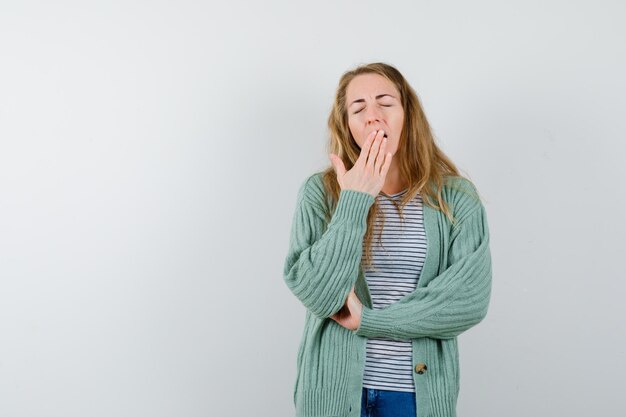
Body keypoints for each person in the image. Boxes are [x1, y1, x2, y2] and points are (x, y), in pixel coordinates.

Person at [283, 62, 492, 417]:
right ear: (347, 126)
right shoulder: (321, 193)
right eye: (359, 108)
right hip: (333, 395)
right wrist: (355, 200)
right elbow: (319, 294)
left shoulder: (456, 197)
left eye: (385, 103)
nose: (373, 117)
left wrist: (371, 321)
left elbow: (467, 301)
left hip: (413, 398)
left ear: (408, 115)